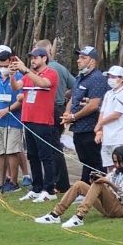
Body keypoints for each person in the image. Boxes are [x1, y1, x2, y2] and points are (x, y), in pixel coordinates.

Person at [35, 145, 123, 228]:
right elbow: (106, 185)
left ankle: (79, 217)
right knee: (79, 184)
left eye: (120, 162)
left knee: (99, 185)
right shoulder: (114, 172)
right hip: (107, 205)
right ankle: (55, 214)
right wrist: (96, 180)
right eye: (115, 162)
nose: (117, 165)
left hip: (121, 208)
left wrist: (106, 182)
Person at [12, 47, 60, 203]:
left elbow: (44, 83)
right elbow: (16, 87)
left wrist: (25, 70)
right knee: (32, 155)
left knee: (46, 156)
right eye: (31, 58)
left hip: (42, 121)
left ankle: (49, 189)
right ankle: (37, 187)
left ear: (44, 58)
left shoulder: (51, 73)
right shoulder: (28, 76)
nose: (33, 60)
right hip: (28, 119)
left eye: (36, 57)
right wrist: (12, 74)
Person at [62, 46, 109, 182]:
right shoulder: (80, 76)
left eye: (83, 58)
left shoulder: (97, 78)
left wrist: (74, 116)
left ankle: (98, 190)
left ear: (92, 61)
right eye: (79, 57)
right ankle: (85, 188)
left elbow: (94, 105)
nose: (78, 60)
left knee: (95, 160)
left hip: (90, 127)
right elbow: (74, 96)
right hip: (78, 127)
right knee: (85, 159)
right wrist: (67, 112)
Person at [34, 39, 72, 191]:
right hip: (58, 108)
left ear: (44, 54)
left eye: (36, 55)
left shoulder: (50, 70)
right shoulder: (61, 68)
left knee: (51, 147)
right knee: (53, 146)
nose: (33, 59)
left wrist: (64, 100)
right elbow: (75, 86)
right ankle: (56, 181)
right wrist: (66, 100)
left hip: (52, 109)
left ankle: (58, 182)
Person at [0, 50, 24, 192]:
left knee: (12, 151)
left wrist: (7, 110)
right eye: (0, 65)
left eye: (5, 65)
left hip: (13, 121)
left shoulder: (19, 77)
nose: (3, 68)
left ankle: (13, 182)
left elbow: (21, 100)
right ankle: (1, 180)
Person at [94, 66, 123, 172]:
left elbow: (116, 114)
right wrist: (100, 131)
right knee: (109, 166)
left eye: (113, 76)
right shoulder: (109, 93)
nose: (110, 79)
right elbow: (102, 112)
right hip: (107, 137)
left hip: (119, 136)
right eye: (109, 76)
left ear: (122, 79)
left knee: (121, 165)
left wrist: (99, 124)